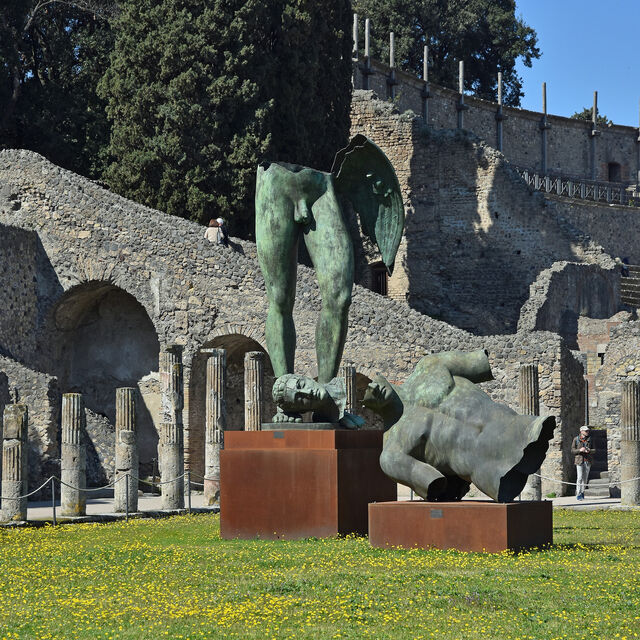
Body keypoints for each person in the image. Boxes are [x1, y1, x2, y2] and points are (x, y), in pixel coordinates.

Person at [361, 349, 556, 502]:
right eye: (366, 393)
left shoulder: (431, 365)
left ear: (381, 377)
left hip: (524, 429)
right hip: (492, 473)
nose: (371, 388)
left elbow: (479, 364)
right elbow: (438, 487)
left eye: (372, 383)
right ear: (368, 407)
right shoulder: (391, 453)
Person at [571, 425, 594, 500]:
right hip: (579, 461)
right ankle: (578, 493)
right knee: (579, 477)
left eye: (588, 431)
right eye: (586, 431)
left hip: (587, 461)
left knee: (585, 478)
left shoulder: (590, 439)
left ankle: (582, 491)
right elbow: (572, 450)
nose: (587, 432)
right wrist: (579, 450)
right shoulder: (576, 439)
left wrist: (589, 450)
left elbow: (594, 450)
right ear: (581, 431)